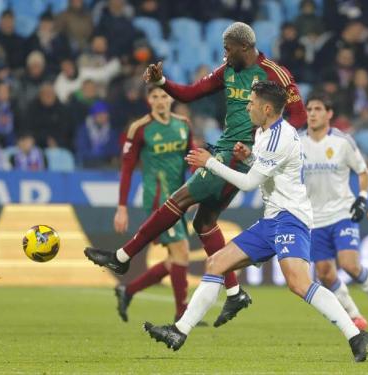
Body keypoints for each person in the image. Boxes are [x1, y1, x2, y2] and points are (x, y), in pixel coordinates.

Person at [84, 22, 307, 327]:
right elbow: (190, 93)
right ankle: (235, 292)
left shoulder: (274, 74)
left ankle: (122, 258)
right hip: (226, 147)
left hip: (238, 156)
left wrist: (265, 140)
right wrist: (162, 80)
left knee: (180, 198)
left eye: (228, 48)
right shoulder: (227, 70)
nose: (224, 54)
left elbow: (299, 116)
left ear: (244, 47)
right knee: (204, 222)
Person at [143, 81, 368, 362]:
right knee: (216, 262)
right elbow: (271, 170)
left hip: (291, 218)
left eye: (251, 102)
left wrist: (211, 163)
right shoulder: (265, 133)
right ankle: (179, 331)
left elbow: (251, 184)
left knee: (299, 284)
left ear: (266, 108)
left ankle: (355, 334)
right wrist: (250, 157)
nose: (247, 106)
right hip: (272, 219)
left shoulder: (281, 136)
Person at [300, 93, 368, 330]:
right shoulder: (297, 143)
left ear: (329, 114)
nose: (312, 113)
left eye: (318, 109)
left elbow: (364, 172)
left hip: (342, 212)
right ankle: (355, 316)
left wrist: (362, 199)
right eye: (309, 109)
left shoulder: (343, 142)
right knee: (324, 273)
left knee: (350, 264)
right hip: (314, 218)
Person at [112, 85, 195, 323]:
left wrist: (197, 191)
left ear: (171, 99)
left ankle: (128, 291)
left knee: (175, 259)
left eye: (164, 96)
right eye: (155, 96)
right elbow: (127, 169)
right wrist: (122, 207)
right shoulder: (140, 129)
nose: (160, 100)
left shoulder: (183, 125)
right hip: (159, 200)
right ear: (149, 100)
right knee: (181, 251)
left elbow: (192, 159)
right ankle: (182, 314)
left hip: (180, 198)